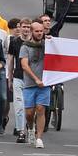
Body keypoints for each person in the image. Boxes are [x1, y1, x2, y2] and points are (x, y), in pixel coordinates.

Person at [19, 20, 50, 149]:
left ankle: (39, 138)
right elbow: (24, 65)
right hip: (30, 84)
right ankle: (30, 128)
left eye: (41, 31)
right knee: (29, 113)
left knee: (40, 109)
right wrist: (35, 79)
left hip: (45, 84)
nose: (39, 33)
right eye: (36, 31)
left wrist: (52, 41)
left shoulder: (47, 44)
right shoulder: (25, 47)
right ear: (32, 32)